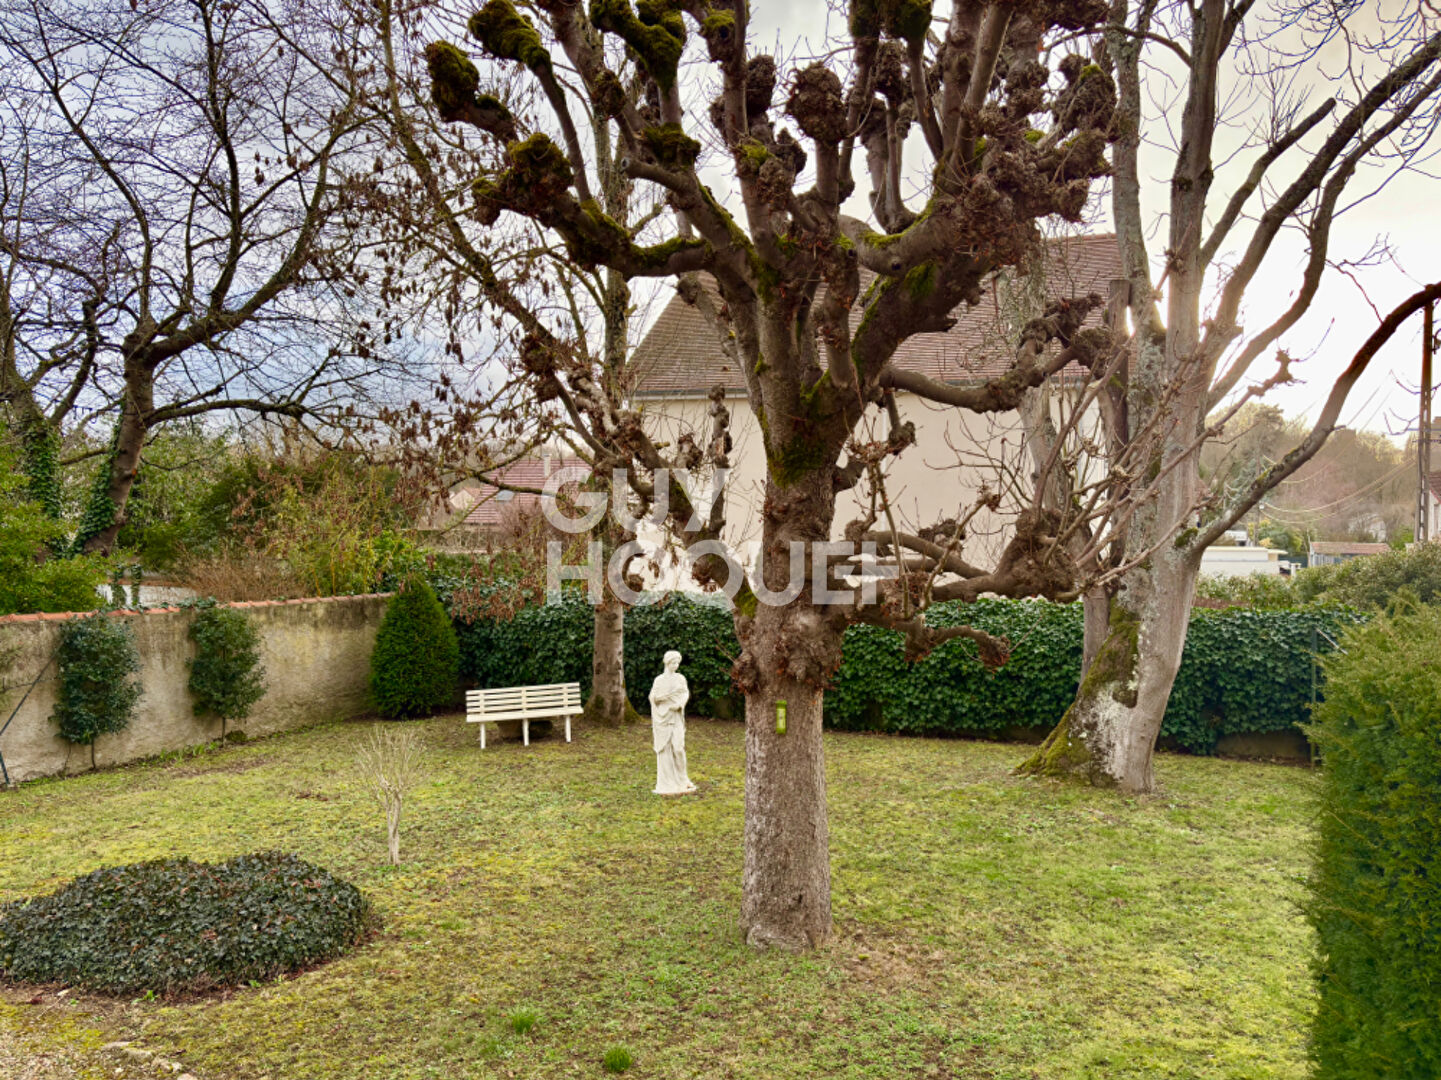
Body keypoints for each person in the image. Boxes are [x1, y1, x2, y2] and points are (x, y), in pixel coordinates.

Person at [648, 650, 696, 795]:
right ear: (667, 663)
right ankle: (667, 781)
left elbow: (685, 693)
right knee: (665, 750)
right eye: (673, 663)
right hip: (663, 718)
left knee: (678, 748)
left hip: (675, 717)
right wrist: (659, 698)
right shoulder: (659, 680)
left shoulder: (680, 679)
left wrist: (680, 705)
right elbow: (653, 697)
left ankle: (683, 779)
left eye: (677, 663)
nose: (676, 666)